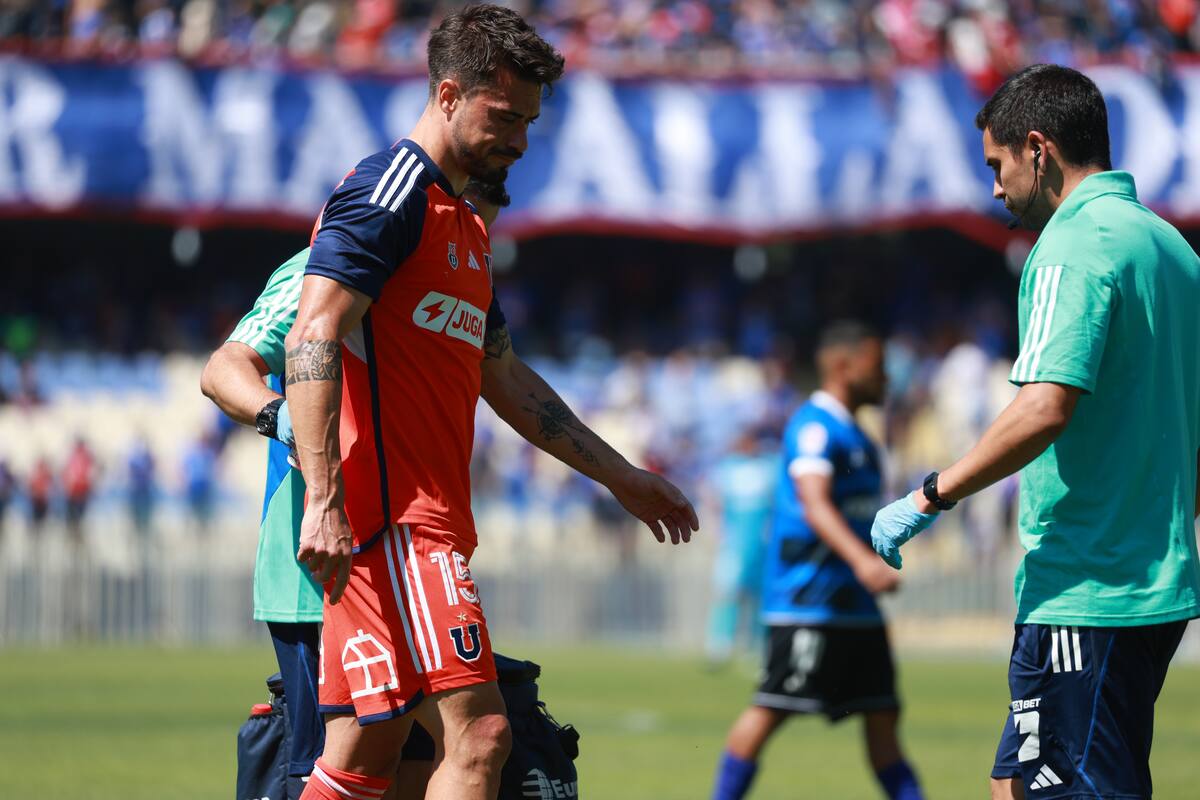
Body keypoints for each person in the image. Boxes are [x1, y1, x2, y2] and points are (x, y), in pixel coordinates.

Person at [284, 6, 698, 800]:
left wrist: (620, 476)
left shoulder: (464, 228)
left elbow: (505, 379)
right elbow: (314, 332)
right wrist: (324, 501)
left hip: (419, 519)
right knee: (483, 733)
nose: (519, 140)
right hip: (395, 520)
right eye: (503, 117)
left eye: (530, 122)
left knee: (368, 756)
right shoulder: (389, 191)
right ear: (447, 95)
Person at [871, 64, 1200, 800]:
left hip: (1087, 585)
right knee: (1012, 783)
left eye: (997, 165)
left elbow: (1045, 405)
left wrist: (929, 494)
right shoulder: (1174, 251)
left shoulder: (1069, 245)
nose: (994, 187)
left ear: (1038, 150)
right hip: (1148, 584)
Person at [201, 178, 511, 800]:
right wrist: (287, 419)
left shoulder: (448, 268)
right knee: (344, 768)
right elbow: (223, 369)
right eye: (470, 205)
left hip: (394, 559)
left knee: (420, 765)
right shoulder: (330, 265)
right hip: (317, 572)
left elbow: (504, 380)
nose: (474, 223)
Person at [712, 321, 924, 800]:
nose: (887, 378)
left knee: (883, 718)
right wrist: (864, 562)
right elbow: (815, 501)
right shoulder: (813, 426)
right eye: (878, 367)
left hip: (856, 608)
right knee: (770, 709)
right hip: (808, 601)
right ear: (842, 365)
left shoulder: (862, 439)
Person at [704, 429, 775, 666]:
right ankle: (720, 643)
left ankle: (755, 644)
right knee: (728, 591)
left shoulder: (768, 468)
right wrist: (717, 530)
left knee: (758, 595)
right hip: (734, 544)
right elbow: (713, 499)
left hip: (760, 544)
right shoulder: (727, 469)